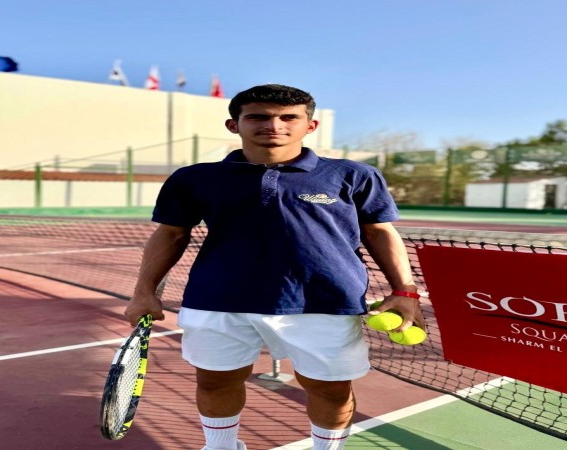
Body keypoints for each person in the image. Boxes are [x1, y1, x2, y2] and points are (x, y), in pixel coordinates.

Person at [124, 84, 423, 450]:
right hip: (217, 299)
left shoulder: (354, 175)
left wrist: (405, 291)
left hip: (324, 302)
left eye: (288, 117)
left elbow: (379, 232)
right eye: (258, 117)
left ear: (310, 126)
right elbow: (170, 234)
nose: (274, 125)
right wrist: (143, 292)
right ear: (234, 124)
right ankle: (220, 447)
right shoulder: (193, 178)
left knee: (330, 390)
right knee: (215, 382)